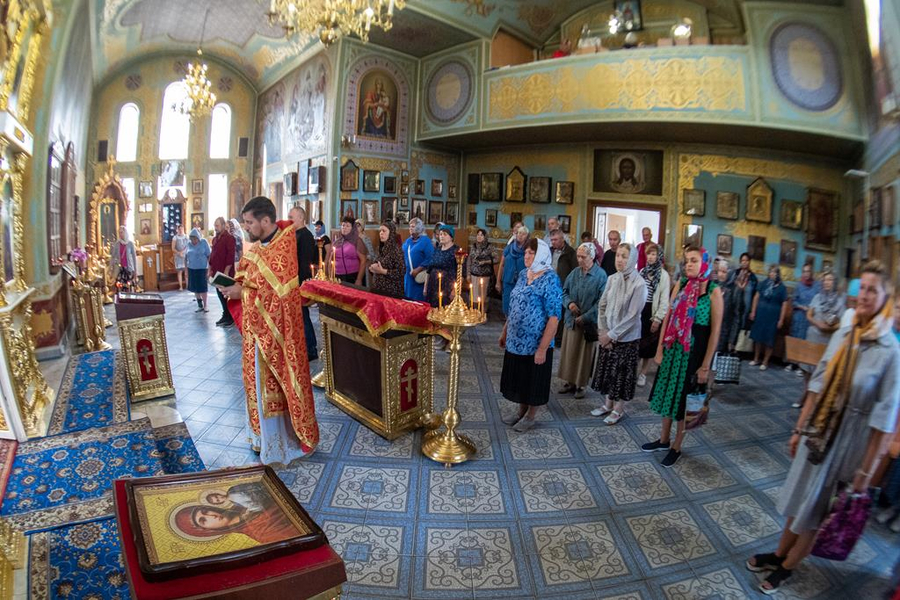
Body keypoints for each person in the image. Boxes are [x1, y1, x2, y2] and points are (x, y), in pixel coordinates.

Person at [748, 261, 900, 594]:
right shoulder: (848, 330)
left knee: (817, 509)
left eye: (874, 290)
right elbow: (818, 381)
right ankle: (779, 552)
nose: (864, 295)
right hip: (818, 429)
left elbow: (884, 421)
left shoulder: (890, 349)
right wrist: (799, 428)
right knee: (799, 496)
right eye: (863, 287)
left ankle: (787, 567)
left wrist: (865, 474)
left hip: (850, 441)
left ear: (886, 298)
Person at [218, 196, 319, 464]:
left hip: (278, 334)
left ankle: (286, 439)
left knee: (276, 382)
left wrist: (244, 291)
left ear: (265, 220)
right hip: (255, 332)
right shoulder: (257, 246)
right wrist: (235, 284)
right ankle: (263, 438)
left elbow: (280, 296)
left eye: (250, 222)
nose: (247, 227)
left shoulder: (284, 246)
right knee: (257, 383)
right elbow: (248, 274)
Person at [644, 247, 723, 468]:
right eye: (687, 261)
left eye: (694, 261)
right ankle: (663, 439)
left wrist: (706, 366)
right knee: (669, 395)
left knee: (683, 401)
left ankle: (677, 446)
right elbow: (669, 317)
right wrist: (659, 349)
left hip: (693, 356)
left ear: (704, 264)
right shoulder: (681, 285)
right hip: (673, 351)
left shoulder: (713, 292)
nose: (689, 264)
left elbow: (715, 332)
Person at [499, 238, 562, 432]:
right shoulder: (523, 274)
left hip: (536, 342)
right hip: (516, 340)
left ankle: (531, 416)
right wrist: (505, 331)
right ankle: (521, 411)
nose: (526, 256)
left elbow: (554, 317)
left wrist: (543, 348)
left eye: (531, 253)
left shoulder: (551, 279)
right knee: (520, 377)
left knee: (533, 379)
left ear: (541, 255)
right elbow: (514, 306)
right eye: (526, 252)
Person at [590, 243, 647, 425]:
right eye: (618, 256)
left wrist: (612, 335)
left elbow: (632, 316)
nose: (620, 260)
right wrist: (603, 330)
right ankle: (607, 404)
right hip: (608, 335)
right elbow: (602, 305)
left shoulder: (639, 284)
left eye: (624, 256)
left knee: (621, 375)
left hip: (627, 338)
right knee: (609, 372)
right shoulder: (612, 278)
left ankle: (619, 409)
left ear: (632, 259)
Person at [558, 243, 607, 399]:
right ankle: (570, 381)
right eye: (578, 256)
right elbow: (563, 292)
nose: (579, 260)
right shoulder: (574, 273)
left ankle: (581, 385)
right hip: (571, 320)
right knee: (570, 352)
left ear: (591, 257)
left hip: (587, 323)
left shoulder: (600, 275)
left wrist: (586, 316)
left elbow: (601, 302)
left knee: (583, 356)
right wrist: (570, 304)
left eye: (583, 257)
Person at [174, 502, 300, 546]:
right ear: (207, 530)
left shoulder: (238, 502)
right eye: (203, 520)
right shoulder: (260, 532)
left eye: (205, 511)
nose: (211, 515)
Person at [637, 243, 670, 387]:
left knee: (649, 346)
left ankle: (643, 373)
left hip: (653, 312)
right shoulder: (643, 271)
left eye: (653, 254)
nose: (650, 257)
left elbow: (664, 300)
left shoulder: (663, 275)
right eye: (648, 254)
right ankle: (633, 371)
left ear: (659, 256)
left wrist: (657, 319)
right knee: (637, 343)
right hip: (640, 311)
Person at [288, 206, 318, 361]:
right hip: (293, 281)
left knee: (303, 315)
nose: (289, 219)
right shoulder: (294, 233)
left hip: (299, 281)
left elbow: (304, 262)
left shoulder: (305, 236)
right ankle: (303, 346)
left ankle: (311, 349)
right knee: (298, 316)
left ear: (300, 217)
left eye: (291, 216)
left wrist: (301, 283)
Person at [749, 265, 789, 370]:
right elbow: (756, 297)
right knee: (758, 337)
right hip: (761, 313)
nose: (772, 274)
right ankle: (756, 358)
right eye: (771, 272)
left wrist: (781, 319)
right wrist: (753, 311)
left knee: (769, 339)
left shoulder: (782, 288)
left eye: (774, 272)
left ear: (778, 274)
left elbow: (784, 303)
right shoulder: (763, 283)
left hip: (773, 316)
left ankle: (765, 361)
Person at [786, 263, 820, 374]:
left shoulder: (817, 286)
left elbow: (819, 300)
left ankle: (802, 367)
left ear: (811, 273)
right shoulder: (799, 285)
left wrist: (811, 308)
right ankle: (792, 363)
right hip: (799, 315)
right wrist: (801, 306)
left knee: (806, 340)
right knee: (796, 338)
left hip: (810, 318)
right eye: (804, 271)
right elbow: (794, 301)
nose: (806, 274)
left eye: (808, 271)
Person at [721, 253, 758, 352]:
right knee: (728, 323)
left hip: (744, 307)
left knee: (740, 325)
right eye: (742, 260)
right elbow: (727, 285)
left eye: (746, 260)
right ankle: (726, 344)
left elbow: (754, 295)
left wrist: (751, 311)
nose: (744, 262)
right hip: (731, 302)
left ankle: (735, 347)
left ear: (749, 262)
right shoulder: (735, 273)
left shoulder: (753, 278)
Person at [209, 217, 236, 327]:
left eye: (217, 225)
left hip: (225, 272)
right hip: (216, 271)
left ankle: (230, 316)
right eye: (215, 225)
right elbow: (213, 254)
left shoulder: (230, 238)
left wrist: (226, 271)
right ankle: (225, 314)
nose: (215, 228)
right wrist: (210, 269)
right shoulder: (215, 239)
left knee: (226, 294)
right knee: (219, 294)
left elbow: (230, 256)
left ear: (224, 225)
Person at [368, 220, 405, 297]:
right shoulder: (380, 248)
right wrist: (372, 268)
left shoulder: (396, 250)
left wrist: (383, 271)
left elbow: (401, 272)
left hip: (391, 291)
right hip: (378, 288)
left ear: (391, 233)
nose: (381, 233)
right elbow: (377, 264)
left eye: (384, 231)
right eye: (380, 231)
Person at [498, 226, 530, 315]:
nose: (520, 235)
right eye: (519, 233)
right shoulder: (509, 247)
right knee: (507, 304)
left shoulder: (528, 250)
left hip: (522, 282)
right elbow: (502, 264)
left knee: (519, 305)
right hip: (508, 280)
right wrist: (498, 281)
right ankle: (507, 323)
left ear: (527, 236)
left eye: (523, 234)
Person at [329, 216, 367, 285]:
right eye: (343, 225)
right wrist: (330, 276)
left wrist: (359, 279)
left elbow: (363, 261)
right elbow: (330, 260)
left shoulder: (357, 241)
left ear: (353, 228)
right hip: (338, 276)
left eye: (347, 226)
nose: (344, 227)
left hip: (352, 276)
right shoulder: (337, 242)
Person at [403, 218, 434, 301]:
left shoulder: (425, 241)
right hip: (408, 277)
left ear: (419, 228)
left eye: (413, 226)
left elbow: (430, 258)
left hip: (419, 277)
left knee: (418, 302)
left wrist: (418, 269)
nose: (410, 228)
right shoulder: (408, 241)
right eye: (409, 226)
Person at [469, 228, 496, 308]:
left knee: (483, 295)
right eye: (478, 235)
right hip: (474, 274)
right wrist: (468, 274)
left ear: (485, 236)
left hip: (485, 275)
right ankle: (474, 311)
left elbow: (496, 259)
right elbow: (469, 260)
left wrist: (486, 262)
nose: (479, 236)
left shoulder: (490, 246)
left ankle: (483, 312)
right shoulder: (473, 246)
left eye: (481, 235)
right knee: (474, 295)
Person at [185, 228, 211, 313]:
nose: (194, 241)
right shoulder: (188, 244)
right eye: (192, 239)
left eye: (195, 239)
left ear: (198, 238)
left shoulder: (203, 242)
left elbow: (209, 256)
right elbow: (186, 257)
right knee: (195, 288)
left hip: (202, 269)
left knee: (202, 288)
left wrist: (209, 269)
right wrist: (186, 270)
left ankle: (206, 305)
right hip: (192, 268)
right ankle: (199, 305)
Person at [111, 225, 137, 292]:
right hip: (120, 269)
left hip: (128, 269)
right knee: (120, 286)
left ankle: (129, 300)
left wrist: (135, 270)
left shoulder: (130, 244)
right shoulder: (117, 244)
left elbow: (134, 257)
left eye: (122, 232)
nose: (120, 234)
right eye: (119, 233)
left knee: (128, 286)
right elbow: (113, 256)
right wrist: (113, 265)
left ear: (125, 233)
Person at [355, 219, 377, 286]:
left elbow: (371, 254)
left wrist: (364, 257)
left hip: (363, 265)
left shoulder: (365, 238)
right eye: (355, 226)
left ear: (362, 228)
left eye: (358, 226)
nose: (356, 228)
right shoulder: (352, 238)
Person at [172, 225, 189, 290]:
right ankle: (181, 286)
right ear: (177, 230)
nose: (181, 230)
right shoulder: (175, 238)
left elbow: (188, 246)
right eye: (179, 229)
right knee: (179, 272)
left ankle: (188, 286)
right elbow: (173, 248)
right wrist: (179, 253)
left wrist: (184, 252)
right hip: (178, 256)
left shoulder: (186, 236)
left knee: (186, 272)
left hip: (185, 255)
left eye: (182, 229)